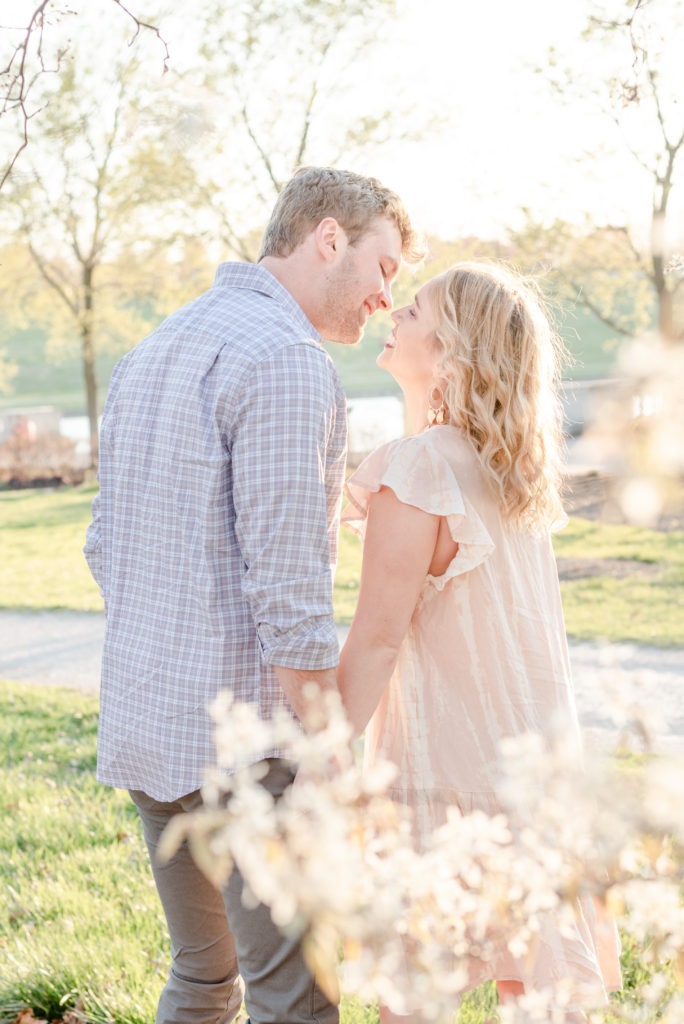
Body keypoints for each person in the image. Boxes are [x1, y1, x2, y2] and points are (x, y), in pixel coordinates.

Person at [84, 166, 422, 1024]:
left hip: (149, 729)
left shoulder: (154, 345)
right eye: (385, 268)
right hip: (247, 753)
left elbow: (102, 547)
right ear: (328, 238)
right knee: (295, 1001)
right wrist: (330, 758)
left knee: (203, 982)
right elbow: (291, 601)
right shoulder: (287, 362)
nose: (387, 299)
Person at [337, 261, 622, 1023]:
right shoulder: (508, 470)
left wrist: (318, 754)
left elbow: (374, 643)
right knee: (533, 993)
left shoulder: (424, 466)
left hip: (446, 777)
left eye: (415, 309)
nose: (394, 312)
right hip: (530, 776)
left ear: (452, 350)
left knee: (416, 999)